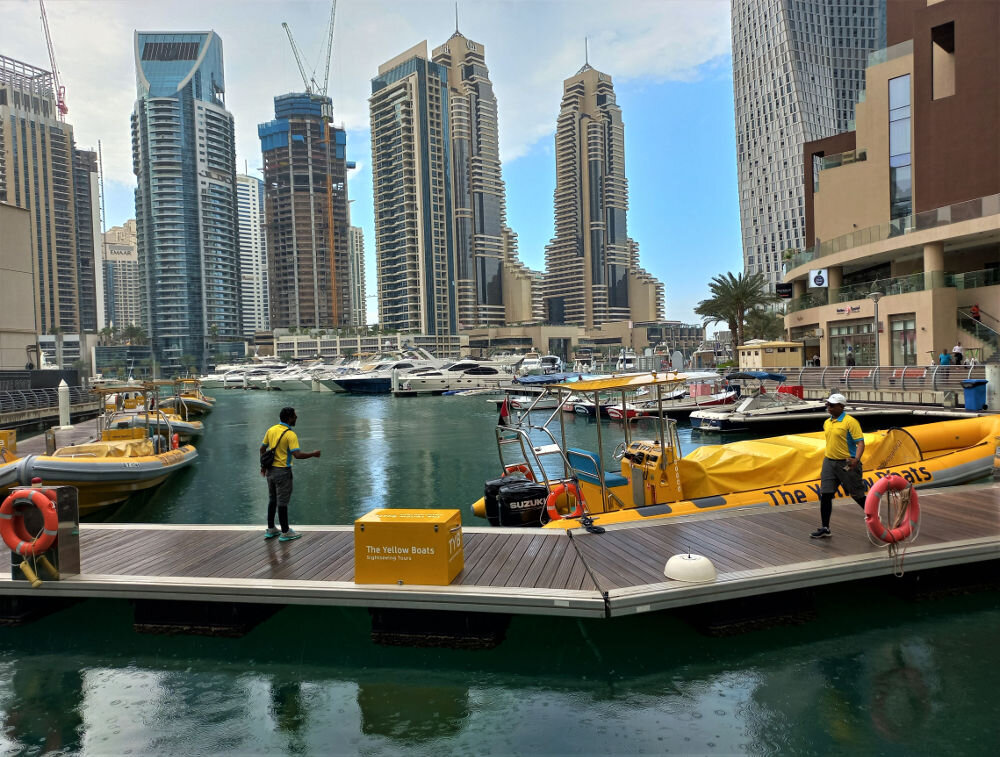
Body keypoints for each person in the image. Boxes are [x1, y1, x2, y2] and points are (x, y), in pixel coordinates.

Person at [260, 406, 321, 542]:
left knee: (272, 499)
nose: (296, 417)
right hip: (283, 472)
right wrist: (313, 454)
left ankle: (271, 529)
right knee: (282, 502)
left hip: (270, 471)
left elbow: (262, 448)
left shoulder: (271, 429)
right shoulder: (290, 434)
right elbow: (297, 455)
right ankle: (286, 531)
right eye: (294, 416)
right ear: (289, 418)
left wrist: (263, 466)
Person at [810, 393, 867, 539]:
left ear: (841, 407)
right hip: (829, 461)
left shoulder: (850, 422)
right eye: (827, 404)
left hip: (846, 463)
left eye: (832, 405)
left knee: (857, 495)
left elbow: (860, 442)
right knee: (826, 494)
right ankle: (825, 527)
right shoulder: (827, 422)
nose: (828, 407)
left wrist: (856, 459)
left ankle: (876, 520)